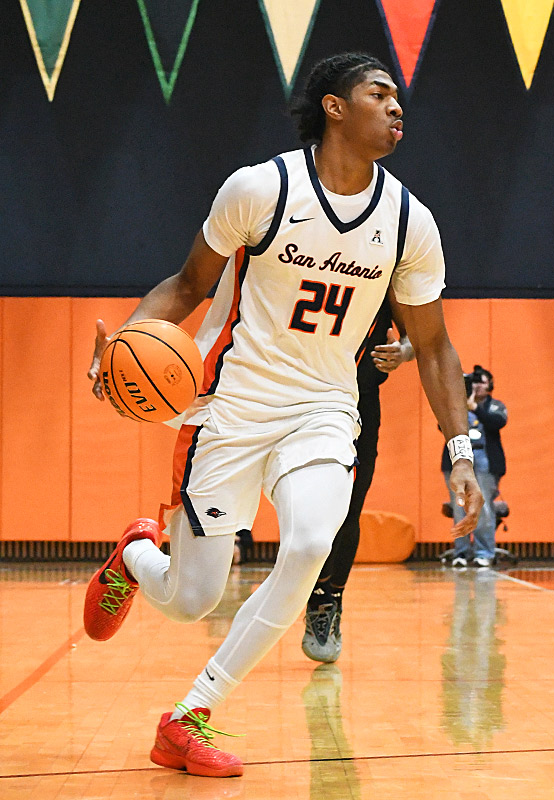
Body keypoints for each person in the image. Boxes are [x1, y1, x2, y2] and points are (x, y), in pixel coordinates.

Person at [84, 51, 483, 778]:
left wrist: (462, 450)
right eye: (379, 93)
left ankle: (188, 716)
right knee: (189, 600)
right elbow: (186, 286)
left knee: (308, 545)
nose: (398, 107)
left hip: (324, 411)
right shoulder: (260, 190)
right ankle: (138, 555)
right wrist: (118, 353)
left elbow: (434, 347)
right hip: (232, 408)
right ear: (335, 107)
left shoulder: (407, 222)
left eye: (399, 97)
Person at [302, 295, 414, 662]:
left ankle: (331, 599)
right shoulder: (310, 261)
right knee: (314, 511)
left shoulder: (384, 272)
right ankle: (315, 594)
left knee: (350, 511)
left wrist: (403, 351)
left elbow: (419, 337)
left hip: (363, 400)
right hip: (309, 398)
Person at [442, 365, 507, 568]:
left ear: (490, 385)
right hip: (458, 464)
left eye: (482, 382)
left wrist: (475, 408)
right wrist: (460, 403)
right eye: (474, 382)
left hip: (486, 464)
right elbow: (441, 424)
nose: (477, 386)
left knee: (485, 508)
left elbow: (497, 421)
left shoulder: (495, 405)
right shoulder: (457, 404)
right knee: (459, 508)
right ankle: (461, 553)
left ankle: (484, 553)